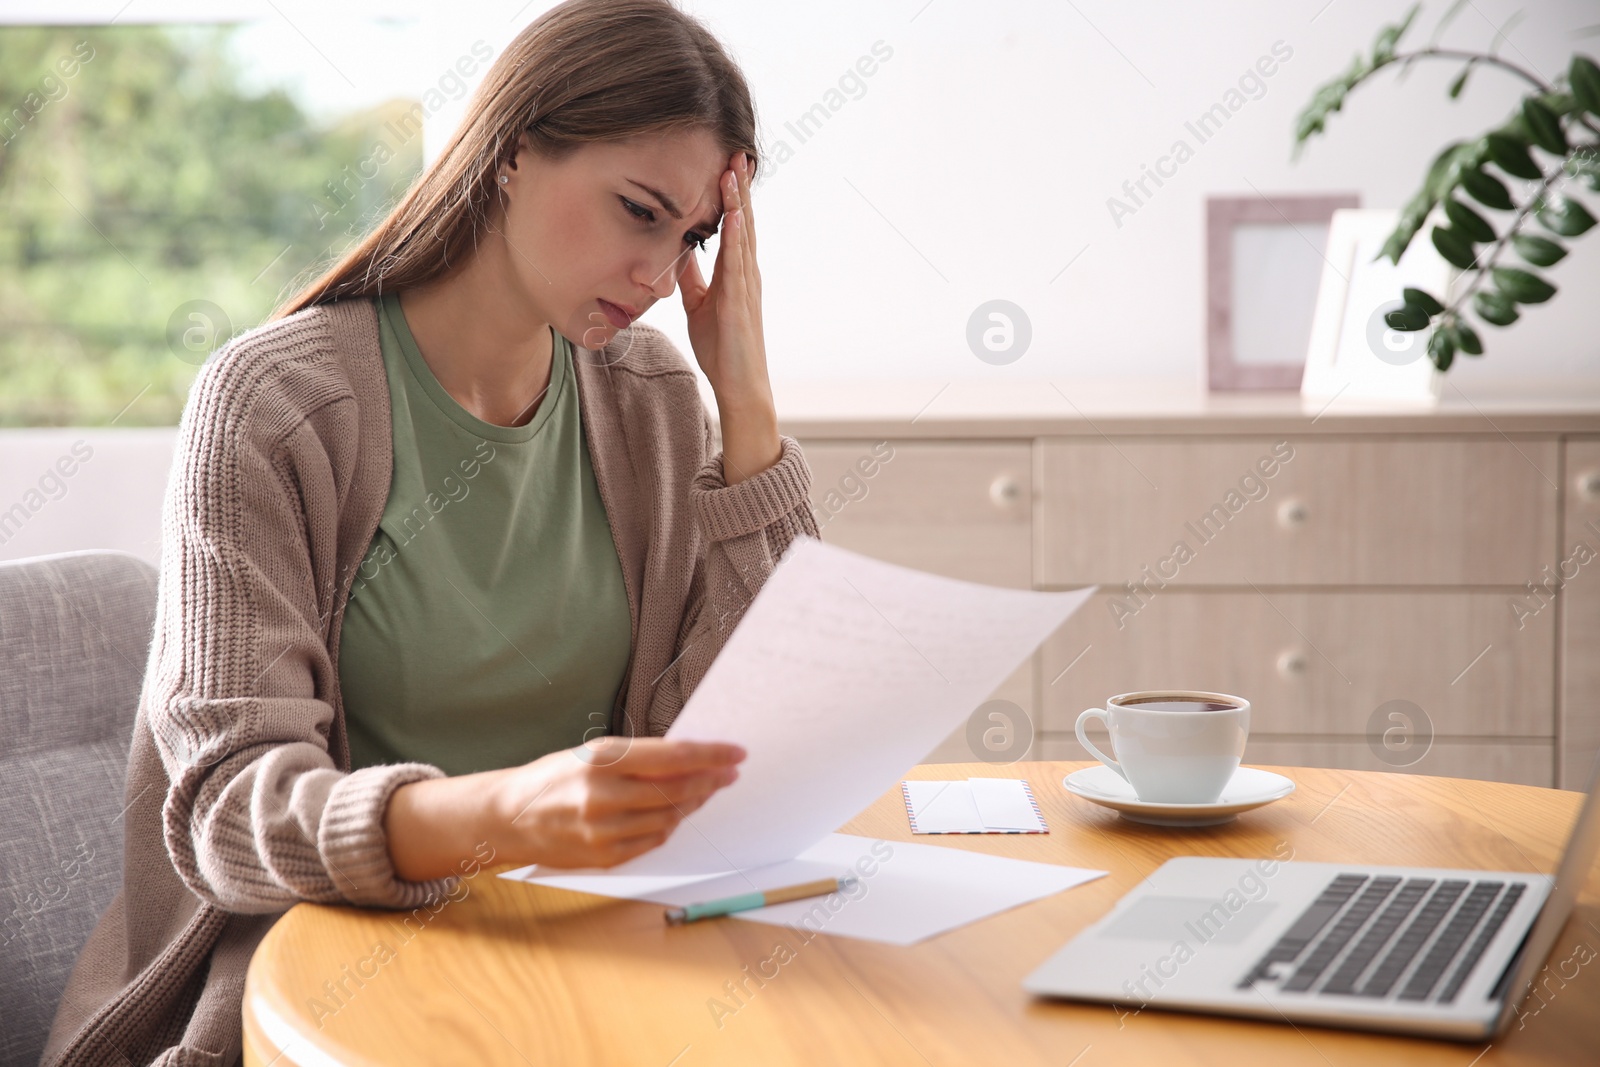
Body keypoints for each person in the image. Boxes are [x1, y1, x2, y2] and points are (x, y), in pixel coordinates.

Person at [41, 1, 817, 1063]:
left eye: (691, 236)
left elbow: (747, 733)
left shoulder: (651, 400)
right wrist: (505, 813)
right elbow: (229, 812)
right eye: (638, 210)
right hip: (323, 1001)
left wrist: (750, 408)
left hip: (589, 969)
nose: (658, 273)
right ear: (511, 153)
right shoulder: (275, 405)